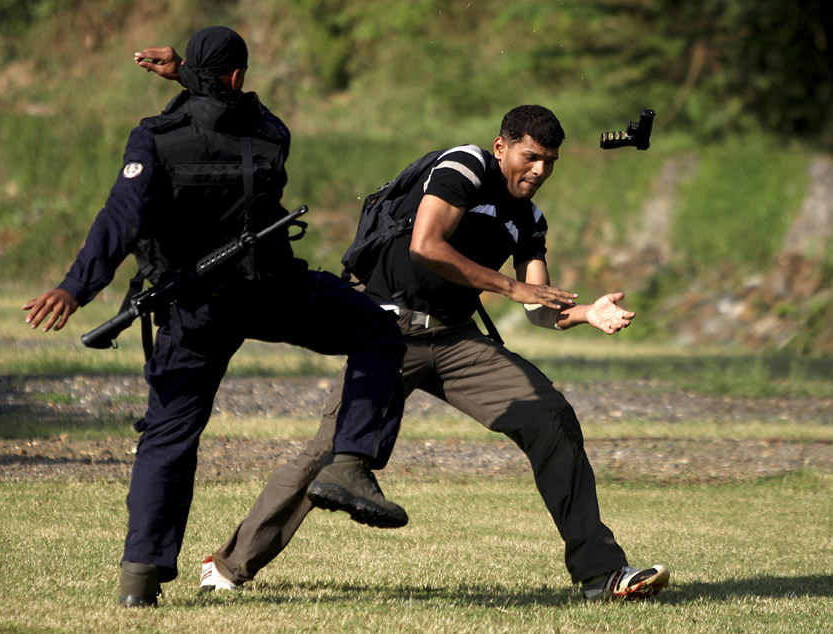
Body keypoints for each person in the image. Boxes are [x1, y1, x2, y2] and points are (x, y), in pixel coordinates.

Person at [192, 104, 671, 602]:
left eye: (550, 162)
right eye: (531, 157)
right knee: (330, 454)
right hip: (386, 332)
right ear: (502, 145)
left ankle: (601, 573)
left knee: (552, 417)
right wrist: (509, 287)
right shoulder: (464, 166)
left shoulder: (528, 218)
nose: (540, 171)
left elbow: (539, 306)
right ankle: (227, 566)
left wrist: (587, 312)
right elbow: (426, 246)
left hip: (456, 339)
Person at [23, 26, 412, 608]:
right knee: (379, 331)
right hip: (271, 292)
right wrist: (192, 73)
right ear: (237, 77)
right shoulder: (272, 135)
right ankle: (350, 462)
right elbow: (236, 113)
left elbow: (120, 218)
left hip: (193, 307)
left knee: (169, 435)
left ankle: (140, 579)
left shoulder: (154, 138)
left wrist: (76, 287)